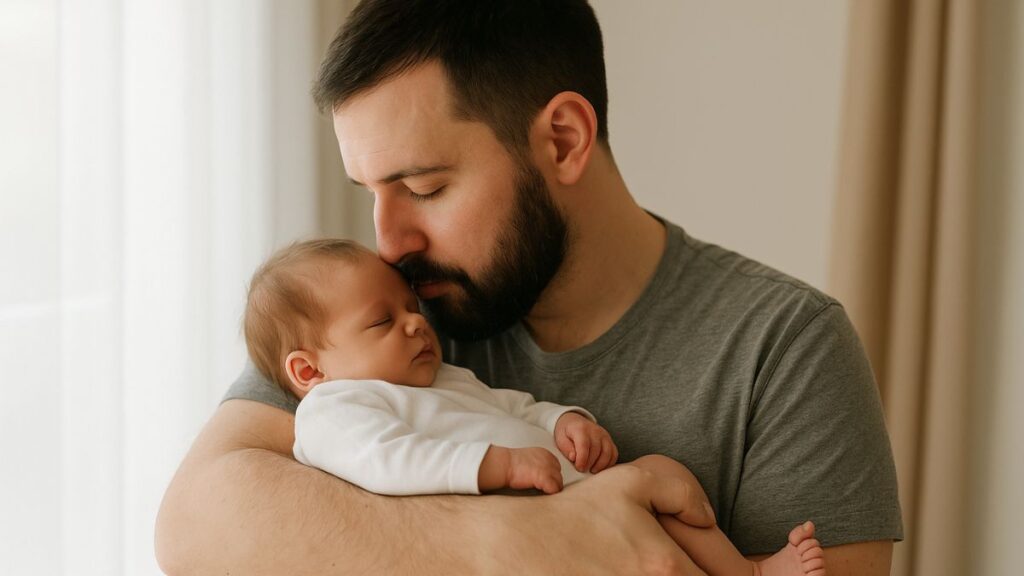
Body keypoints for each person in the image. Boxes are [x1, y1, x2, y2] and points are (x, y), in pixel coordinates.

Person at [155, 1, 902, 574]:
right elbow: (194, 524)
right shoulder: (367, 319)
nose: (388, 243)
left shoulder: (785, 351)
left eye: (423, 184)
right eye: (372, 192)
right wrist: (515, 542)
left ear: (563, 140)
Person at [244, 238, 827, 576]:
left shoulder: (441, 377)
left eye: (409, 305)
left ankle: (747, 572)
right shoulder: (334, 409)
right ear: (307, 370)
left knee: (667, 477)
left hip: (580, 491)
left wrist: (564, 421)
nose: (417, 321)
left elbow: (511, 404)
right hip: (532, 517)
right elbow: (387, 462)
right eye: (382, 321)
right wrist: (496, 465)